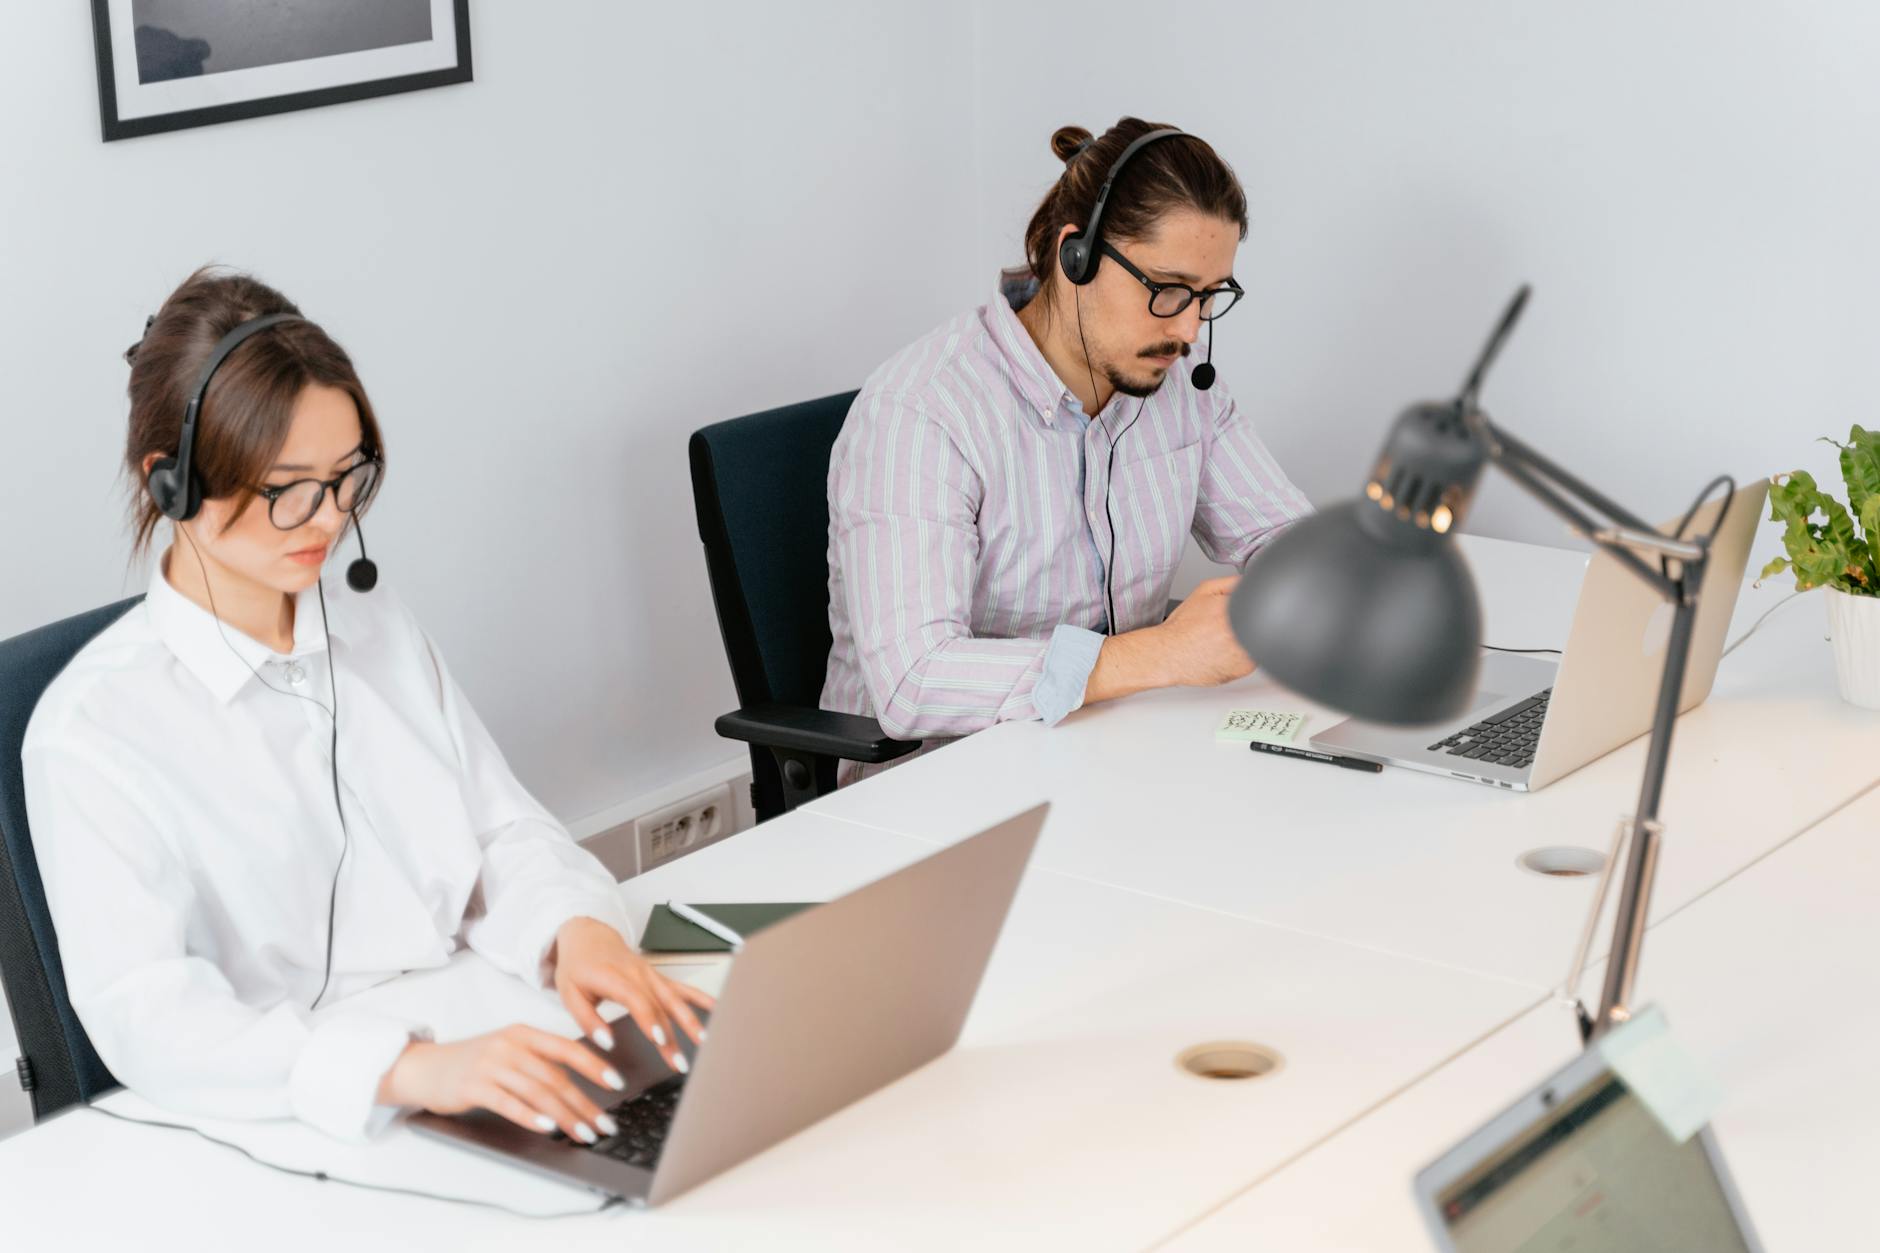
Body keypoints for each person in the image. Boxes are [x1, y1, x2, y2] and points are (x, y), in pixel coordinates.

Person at [22, 269, 709, 1145]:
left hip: (493, 1041)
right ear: (171, 485)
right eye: (289, 489)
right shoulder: (92, 734)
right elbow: (150, 1015)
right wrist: (404, 1067)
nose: (329, 518)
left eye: (349, 477)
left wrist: (578, 930)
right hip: (302, 1117)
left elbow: (503, 830)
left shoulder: (373, 625)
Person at [822, 117, 1311, 779]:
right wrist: (1159, 653)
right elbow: (914, 680)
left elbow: (1282, 536)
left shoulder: (1181, 390)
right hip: (937, 797)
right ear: (1073, 255)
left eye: (1208, 296)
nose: (1190, 328)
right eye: (1167, 290)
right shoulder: (923, 412)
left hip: (1107, 761)